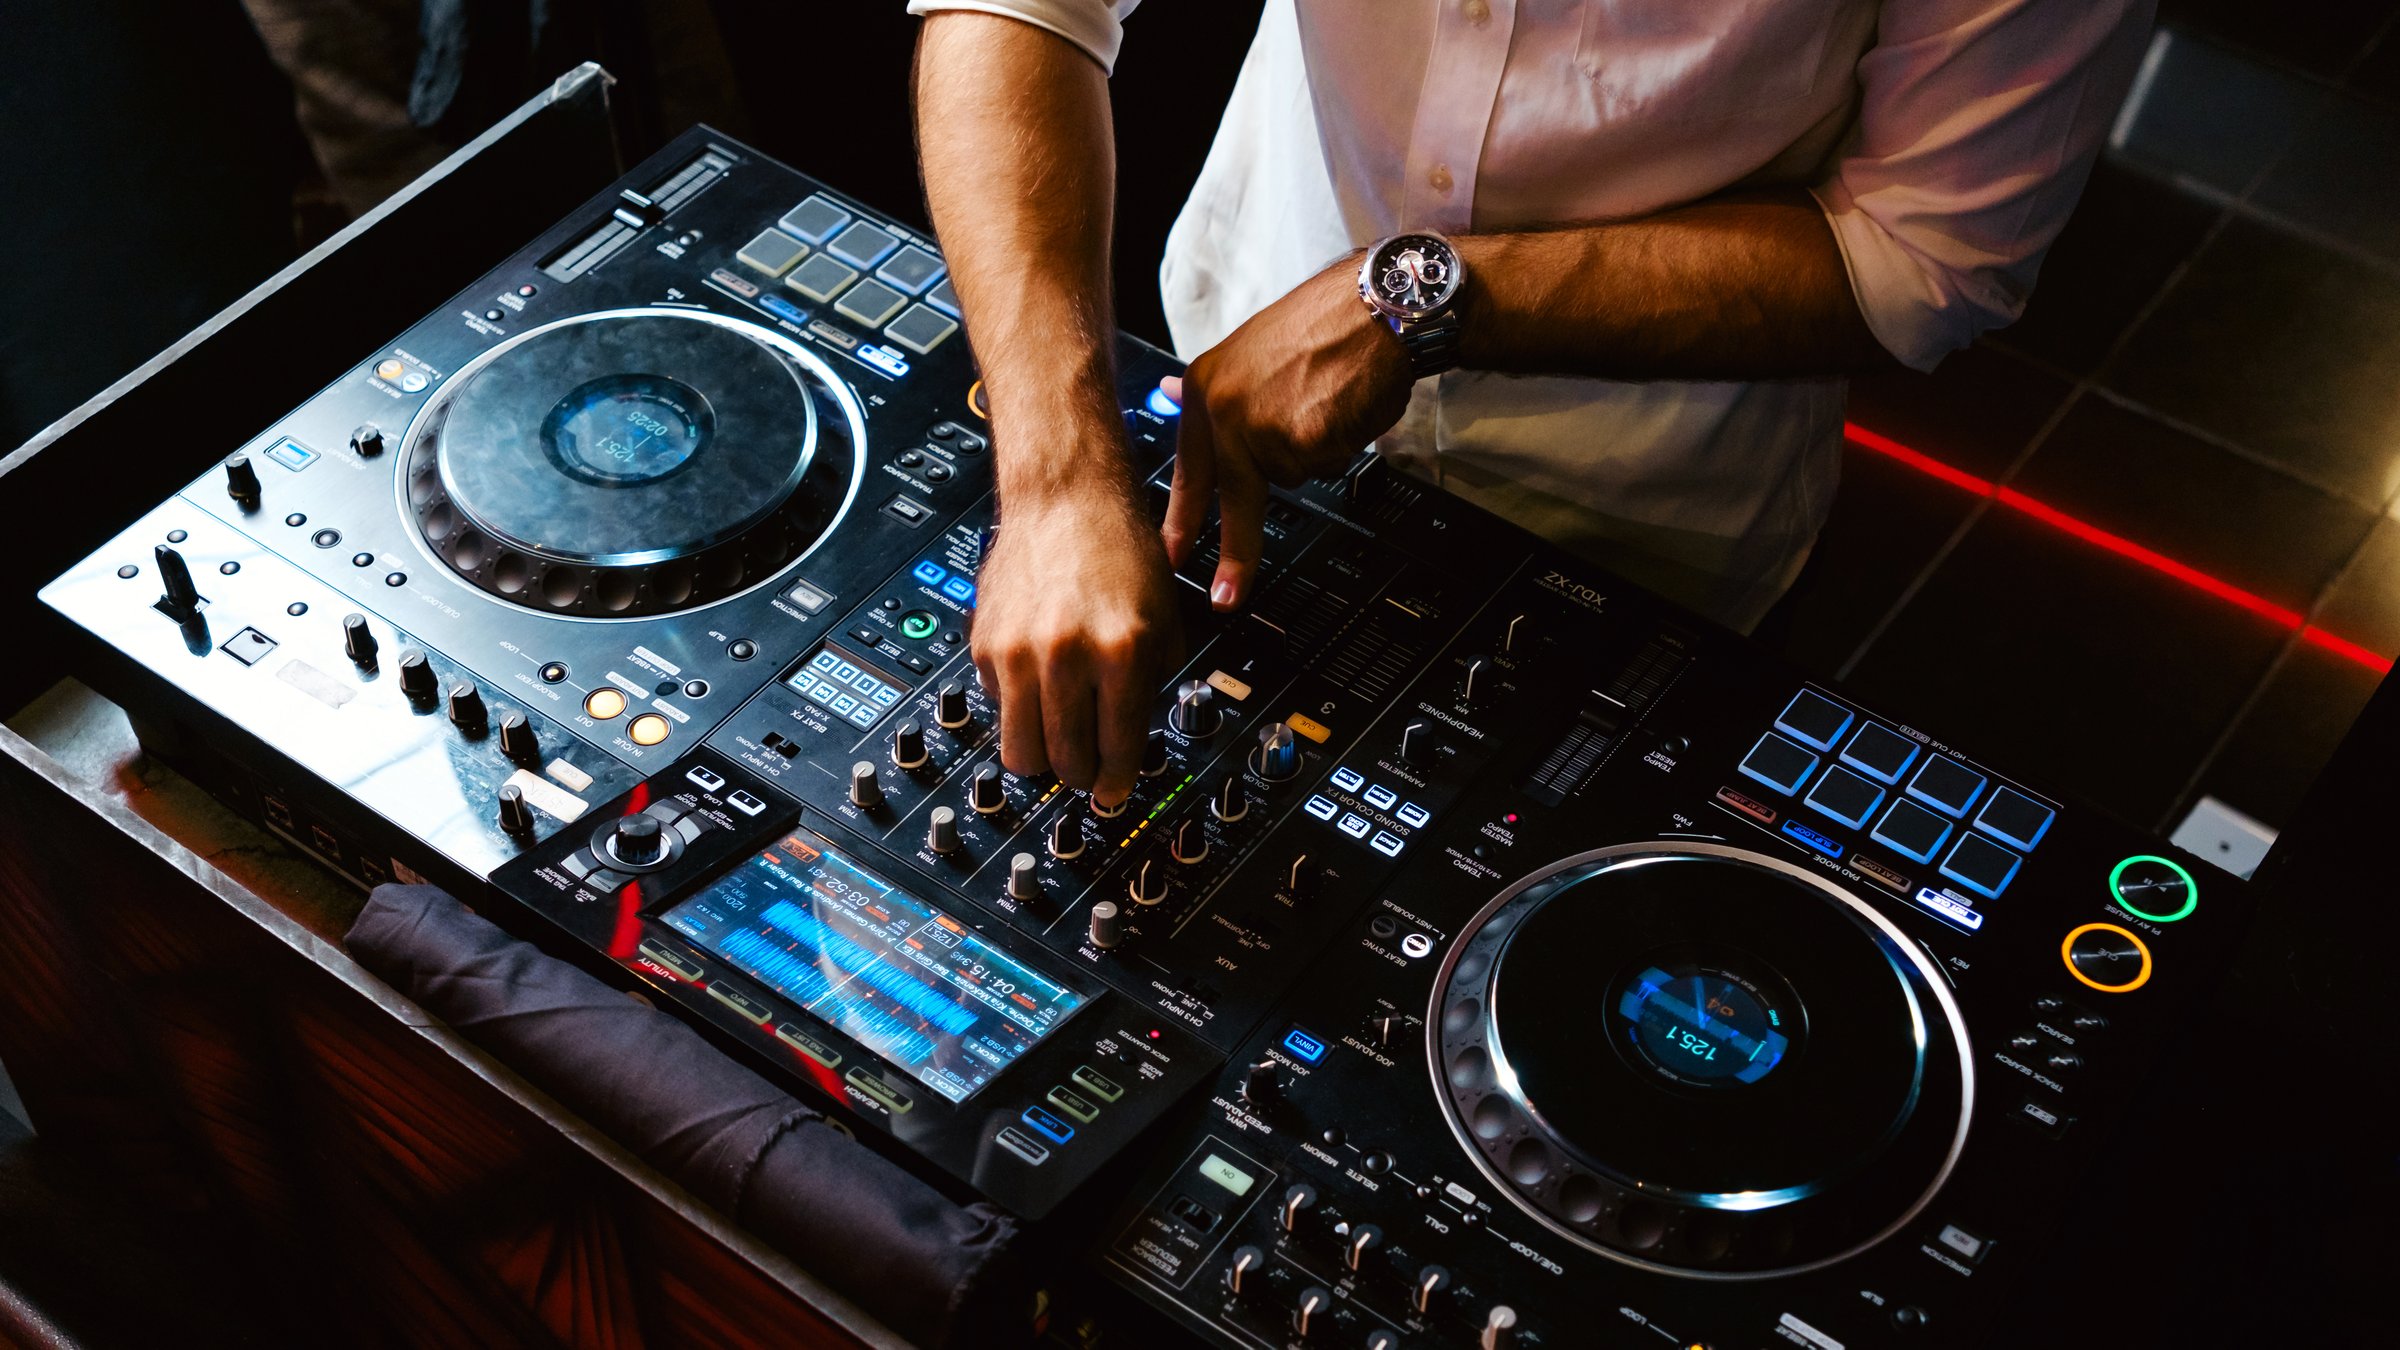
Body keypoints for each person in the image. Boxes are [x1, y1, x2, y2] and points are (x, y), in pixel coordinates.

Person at [907, 0, 2150, 806]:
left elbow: (1924, 252)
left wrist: (1424, 297)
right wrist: (1062, 478)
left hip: (1638, 517)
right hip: (1228, 355)